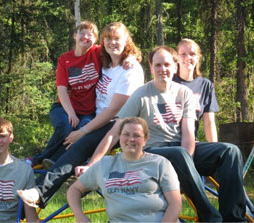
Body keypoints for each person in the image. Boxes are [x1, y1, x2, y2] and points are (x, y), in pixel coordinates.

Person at [75, 45, 247, 222]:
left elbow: (188, 133)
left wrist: (188, 165)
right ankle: (209, 217)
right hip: (153, 152)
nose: (162, 69)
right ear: (151, 68)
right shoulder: (141, 95)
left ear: (174, 66)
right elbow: (115, 132)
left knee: (230, 151)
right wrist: (92, 163)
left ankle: (234, 218)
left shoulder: (184, 92)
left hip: (182, 151)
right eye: (157, 65)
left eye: (166, 64)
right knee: (179, 154)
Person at [17, 22, 144, 210]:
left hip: (117, 124)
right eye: (108, 39)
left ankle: (40, 192)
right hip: (95, 118)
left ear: (127, 41)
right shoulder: (105, 62)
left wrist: (83, 131)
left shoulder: (129, 70)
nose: (112, 43)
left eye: (117, 39)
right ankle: (42, 172)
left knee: (79, 144)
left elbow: (112, 111)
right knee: (68, 136)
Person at [29, 21, 135, 168]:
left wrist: (131, 57)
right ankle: (38, 159)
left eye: (90, 35)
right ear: (74, 36)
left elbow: (121, 48)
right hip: (64, 107)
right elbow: (61, 89)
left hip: (87, 113)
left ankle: (55, 161)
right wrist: (71, 113)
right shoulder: (65, 59)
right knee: (65, 126)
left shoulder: (97, 53)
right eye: (82, 33)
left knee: (82, 135)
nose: (86, 37)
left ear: (96, 40)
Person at [174, 38, 254, 220]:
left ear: (199, 58)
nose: (188, 58)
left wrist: (216, 155)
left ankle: (233, 218)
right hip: (171, 144)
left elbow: (209, 123)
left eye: (193, 54)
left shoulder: (205, 85)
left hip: (193, 145)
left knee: (230, 152)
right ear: (176, 58)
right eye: (183, 54)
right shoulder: (168, 81)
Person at [67, 117, 182, 223]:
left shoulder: (160, 163)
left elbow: (175, 204)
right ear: (119, 137)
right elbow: (74, 189)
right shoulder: (104, 164)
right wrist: (80, 216)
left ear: (145, 140)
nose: (131, 139)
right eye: (126, 134)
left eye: (137, 136)